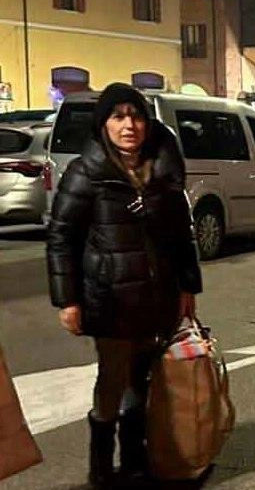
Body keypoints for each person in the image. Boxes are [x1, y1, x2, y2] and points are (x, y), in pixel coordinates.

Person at [46, 83, 201, 488]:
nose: (129, 125)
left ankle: (135, 459)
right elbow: (62, 236)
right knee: (112, 381)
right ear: (104, 125)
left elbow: (181, 235)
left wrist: (188, 287)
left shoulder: (164, 170)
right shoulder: (87, 172)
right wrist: (68, 300)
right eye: (118, 117)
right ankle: (101, 466)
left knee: (144, 381)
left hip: (158, 296)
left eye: (135, 116)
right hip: (110, 299)